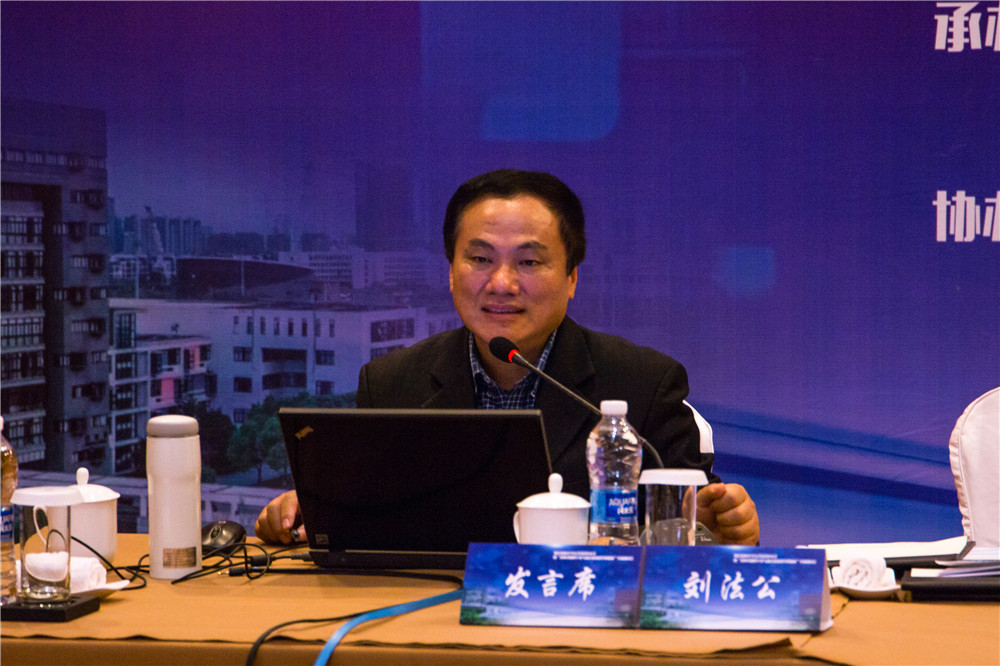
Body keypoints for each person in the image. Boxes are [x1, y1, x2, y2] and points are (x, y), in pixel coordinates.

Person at [256, 169, 759, 546]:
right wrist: (310, 513)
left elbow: (699, 522)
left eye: (529, 261)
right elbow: (370, 521)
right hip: (429, 626)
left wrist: (728, 525)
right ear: (450, 272)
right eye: (479, 259)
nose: (501, 283)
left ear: (572, 278)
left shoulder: (643, 383)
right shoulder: (391, 383)